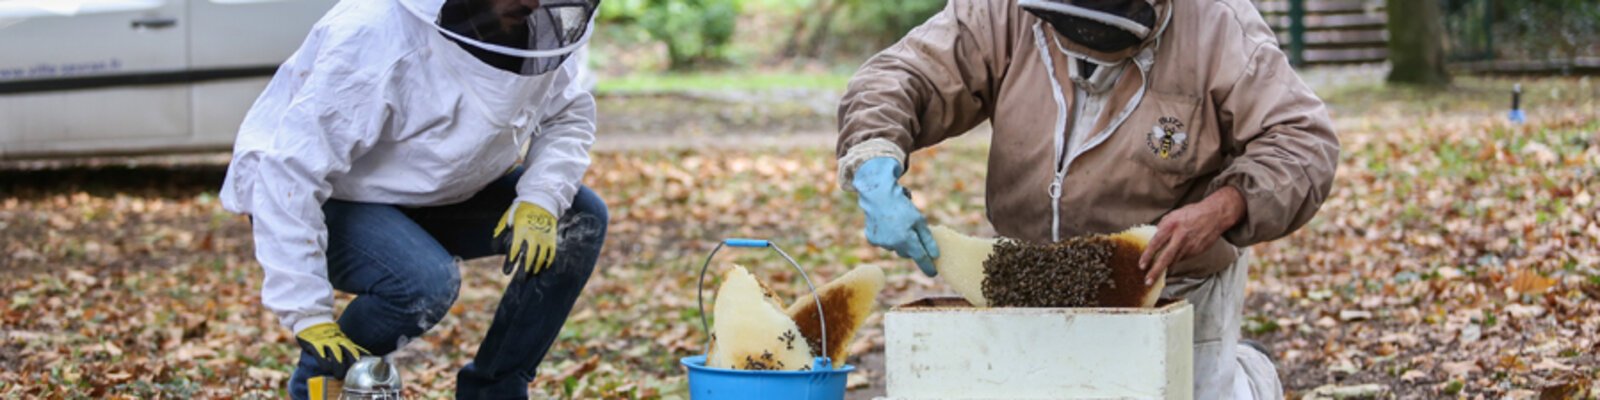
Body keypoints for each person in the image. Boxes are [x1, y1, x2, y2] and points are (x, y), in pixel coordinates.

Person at [836, 0, 1338, 398]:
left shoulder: (1219, 24)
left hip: (1175, 279)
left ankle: (1245, 379)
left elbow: (1302, 141)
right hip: (1028, 274)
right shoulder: (999, 11)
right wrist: (875, 159)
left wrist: (1225, 206)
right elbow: (903, 76)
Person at [218, 0, 606, 398]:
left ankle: (495, 391)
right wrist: (306, 313)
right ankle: (322, 381)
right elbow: (291, 171)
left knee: (578, 219)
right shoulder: (373, 35)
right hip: (328, 195)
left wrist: (541, 199)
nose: (530, 2)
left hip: (435, 189)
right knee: (422, 282)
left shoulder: (539, 31)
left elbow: (567, 114)